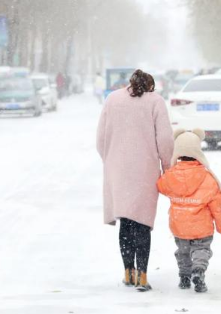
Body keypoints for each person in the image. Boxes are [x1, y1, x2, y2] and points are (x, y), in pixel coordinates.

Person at [96, 69, 174, 292]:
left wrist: (110, 159)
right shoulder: (155, 102)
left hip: (117, 169)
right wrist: (166, 165)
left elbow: (100, 139)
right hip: (145, 170)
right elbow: (166, 139)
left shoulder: (112, 99)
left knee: (126, 222)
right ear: (150, 86)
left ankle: (127, 272)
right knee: (142, 223)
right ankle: (142, 276)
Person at [157, 129, 221, 293]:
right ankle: (198, 270)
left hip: (179, 224)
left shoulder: (170, 176)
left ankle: (184, 277)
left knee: (182, 252)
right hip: (201, 227)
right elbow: (217, 206)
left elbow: (160, 186)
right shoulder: (207, 177)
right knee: (201, 250)